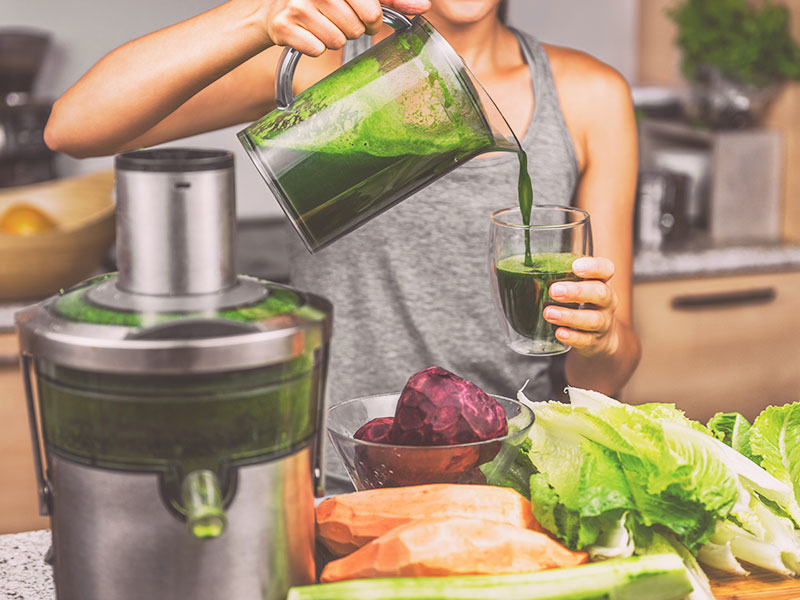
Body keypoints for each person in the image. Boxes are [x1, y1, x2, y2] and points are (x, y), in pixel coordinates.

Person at [44, 0, 642, 491]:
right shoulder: (318, 66)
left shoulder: (588, 95)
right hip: (338, 475)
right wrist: (260, 15)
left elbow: (608, 374)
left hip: (513, 478)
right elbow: (75, 127)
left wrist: (602, 336)